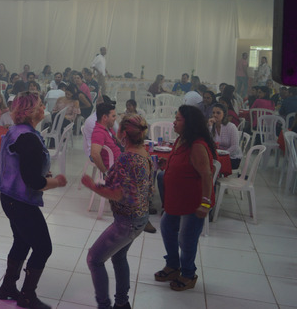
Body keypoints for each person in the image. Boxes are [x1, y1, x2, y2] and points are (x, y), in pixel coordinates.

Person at [0, 91, 67, 308]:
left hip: (8, 197)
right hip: (20, 202)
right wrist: (57, 181)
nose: (44, 108)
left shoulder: (16, 131)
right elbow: (33, 182)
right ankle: (27, 296)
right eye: (40, 105)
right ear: (30, 111)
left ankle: (8, 288)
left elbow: (22, 166)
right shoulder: (28, 138)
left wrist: (42, 173)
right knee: (43, 247)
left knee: (22, 240)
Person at [82, 114, 154, 309]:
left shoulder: (127, 158)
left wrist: (92, 186)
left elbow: (118, 194)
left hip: (127, 222)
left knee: (94, 259)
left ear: (122, 133)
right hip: (139, 218)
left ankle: (104, 305)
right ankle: (122, 304)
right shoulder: (144, 153)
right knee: (119, 256)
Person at [155, 105, 215, 291]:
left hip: (193, 201)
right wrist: (169, 164)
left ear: (189, 123)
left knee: (186, 239)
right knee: (166, 227)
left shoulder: (196, 145)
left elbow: (206, 175)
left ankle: (188, 273)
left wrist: (205, 204)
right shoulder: (182, 139)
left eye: (178, 119)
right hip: (177, 199)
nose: (174, 121)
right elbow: (185, 164)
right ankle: (173, 265)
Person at [209, 103, 242, 170]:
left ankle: (214, 179)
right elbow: (209, 142)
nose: (215, 115)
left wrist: (222, 154)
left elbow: (235, 146)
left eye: (218, 113)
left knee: (213, 164)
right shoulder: (212, 126)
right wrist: (210, 126)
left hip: (232, 157)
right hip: (217, 156)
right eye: (213, 113)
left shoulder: (231, 127)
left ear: (224, 114)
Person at [90, 102, 121, 175]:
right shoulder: (99, 133)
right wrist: (106, 172)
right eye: (113, 116)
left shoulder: (108, 128)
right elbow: (94, 154)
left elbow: (118, 141)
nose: (115, 118)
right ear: (104, 117)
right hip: (117, 168)